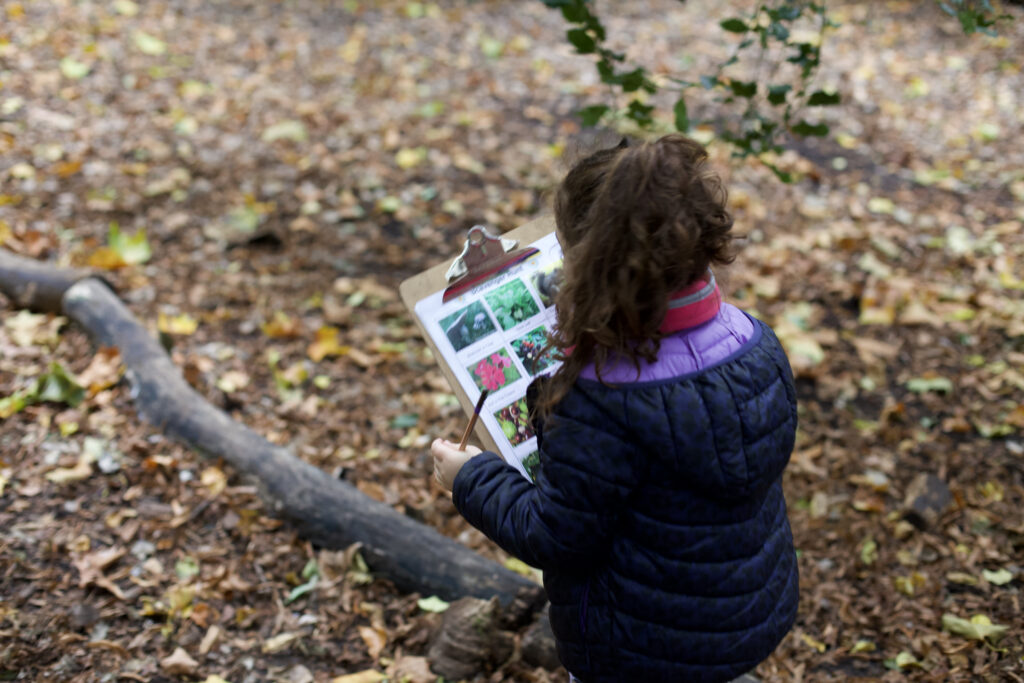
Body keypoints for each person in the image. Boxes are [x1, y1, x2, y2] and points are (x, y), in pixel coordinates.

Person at [431, 134, 799, 683]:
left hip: (633, 646)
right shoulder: (755, 341)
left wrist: (471, 479)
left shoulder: (603, 400)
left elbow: (555, 536)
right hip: (746, 615)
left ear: (593, 265)